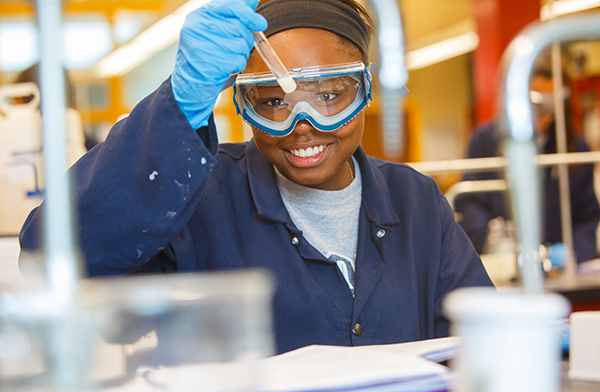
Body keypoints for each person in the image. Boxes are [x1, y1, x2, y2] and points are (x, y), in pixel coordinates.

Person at [19, 0, 493, 355]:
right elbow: (51, 258)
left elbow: (479, 341)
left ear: (364, 90)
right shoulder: (200, 199)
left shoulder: (415, 199)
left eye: (330, 96)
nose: (302, 124)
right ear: (241, 104)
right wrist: (178, 110)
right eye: (272, 103)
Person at [455, 65, 600, 265]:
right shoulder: (485, 141)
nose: (543, 114)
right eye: (536, 104)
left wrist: (573, 252)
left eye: (550, 106)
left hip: (559, 269)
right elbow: (468, 202)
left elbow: (588, 214)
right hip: (503, 266)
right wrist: (496, 242)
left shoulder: (573, 147)